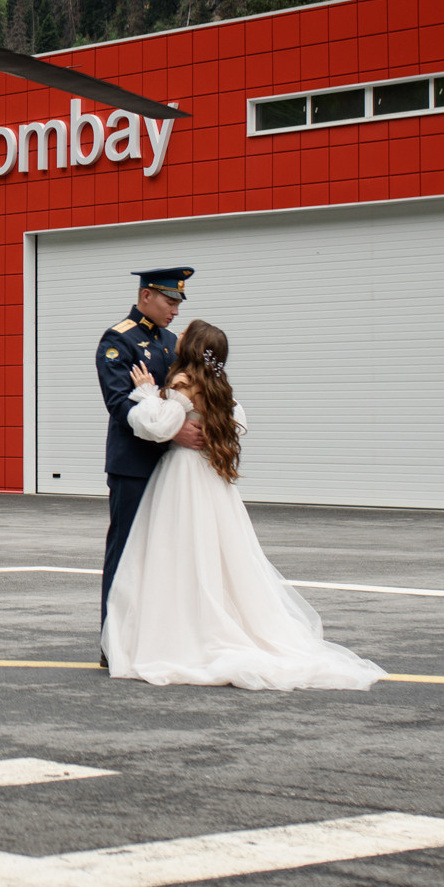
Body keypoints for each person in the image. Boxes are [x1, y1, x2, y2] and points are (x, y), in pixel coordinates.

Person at [101, 319, 385, 691]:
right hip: (211, 478)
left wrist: (147, 393)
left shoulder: (182, 382)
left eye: (185, 333)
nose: (177, 334)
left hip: (182, 475)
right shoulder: (217, 386)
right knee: (218, 551)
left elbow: (156, 426)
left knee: (178, 551)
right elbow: (237, 421)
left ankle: (181, 629)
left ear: (192, 346)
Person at [93, 266, 203, 656]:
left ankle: (157, 640)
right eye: (170, 301)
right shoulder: (118, 339)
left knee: (168, 555)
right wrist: (174, 432)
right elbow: (119, 404)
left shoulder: (173, 342)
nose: (175, 310)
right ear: (146, 296)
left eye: (178, 303)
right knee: (126, 553)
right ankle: (114, 644)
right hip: (135, 465)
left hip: (173, 468)